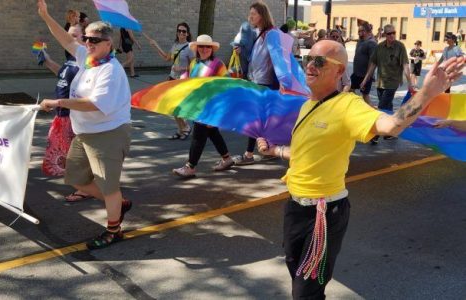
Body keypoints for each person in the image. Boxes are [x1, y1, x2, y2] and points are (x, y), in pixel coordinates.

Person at [256, 39, 464, 299]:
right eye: (309, 59)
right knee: (301, 281)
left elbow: (392, 126)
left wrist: (428, 92)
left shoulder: (348, 106)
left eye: (320, 62)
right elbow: (303, 155)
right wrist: (274, 151)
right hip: (295, 208)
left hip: (322, 213)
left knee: (305, 292)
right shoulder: (308, 106)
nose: (310, 65)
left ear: (339, 71)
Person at [38, 0, 132, 250]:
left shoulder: (110, 71)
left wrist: (59, 101)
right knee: (76, 179)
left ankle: (114, 230)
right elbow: (67, 41)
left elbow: (94, 104)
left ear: (108, 44)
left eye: (94, 40)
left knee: (109, 186)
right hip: (85, 133)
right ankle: (120, 204)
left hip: (108, 134)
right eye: (87, 39)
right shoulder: (87, 59)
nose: (87, 43)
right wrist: (47, 17)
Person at [40, 24, 93, 203]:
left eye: (74, 35)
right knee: (67, 151)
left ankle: (85, 188)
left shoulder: (85, 59)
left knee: (76, 153)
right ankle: (86, 185)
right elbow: (62, 74)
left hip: (72, 115)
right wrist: (46, 59)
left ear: (84, 38)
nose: (69, 39)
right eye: (68, 35)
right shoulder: (72, 57)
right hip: (61, 114)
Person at [172, 35, 234, 178]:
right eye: (201, 46)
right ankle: (227, 158)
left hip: (211, 107)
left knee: (198, 136)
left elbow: (226, 86)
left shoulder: (218, 64)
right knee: (212, 133)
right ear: (197, 48)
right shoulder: (194, 63)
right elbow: (189, 80)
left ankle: (190, 167)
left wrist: (219, 112)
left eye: (207, 46)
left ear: (212, 49)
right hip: (198, 106)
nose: (204, 49)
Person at [233, 1, 286, 166]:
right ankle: (271, 148)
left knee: (255, 120)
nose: (250, 17)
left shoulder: (271, 34)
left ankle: (249, 154)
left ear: (262, 15)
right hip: (256, 81)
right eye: (250, 14)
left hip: (264, 83)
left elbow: (278, 58)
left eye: (253, 14)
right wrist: (243, 53)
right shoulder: (259, 34)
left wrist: (283, 81)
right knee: (261, 120)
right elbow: (256, 59)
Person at [361, 24, 413, 143]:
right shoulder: (379, 47)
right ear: (385, 35)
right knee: (387, 108)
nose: (392, 35)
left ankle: (375, 135)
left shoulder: (400, 46)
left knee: (382, 108)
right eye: (389, 33)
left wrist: (410, 82)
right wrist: (365, 80)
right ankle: (391, 132)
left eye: (394, 33)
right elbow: (373, 64)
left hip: (392, 82)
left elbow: (405, 64)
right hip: (380, 82)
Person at [145, 22, 195, 140]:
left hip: (182, 80)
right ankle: (182, 128)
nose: (181, 33)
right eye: (179, 31)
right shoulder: (175, 45)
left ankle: (185, 127)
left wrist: (182, 68)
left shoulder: (189, 47)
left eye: (183, 31)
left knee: (176, 106)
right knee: (171, 106)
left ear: (187, 34)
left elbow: (194, 65)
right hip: (172, 78)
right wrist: (155, 45)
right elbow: (167, 58)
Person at [350, 23, 377, 105]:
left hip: (365, 76)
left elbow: (372, 63)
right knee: (350, 90)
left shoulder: (372, 43)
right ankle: (356, 106)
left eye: (362, 31)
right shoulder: (360, 41)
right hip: (356, 74)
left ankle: (372, 113)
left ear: (368, 31)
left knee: (365, 96)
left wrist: (366, 79)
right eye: (359, 31)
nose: (360, 32)